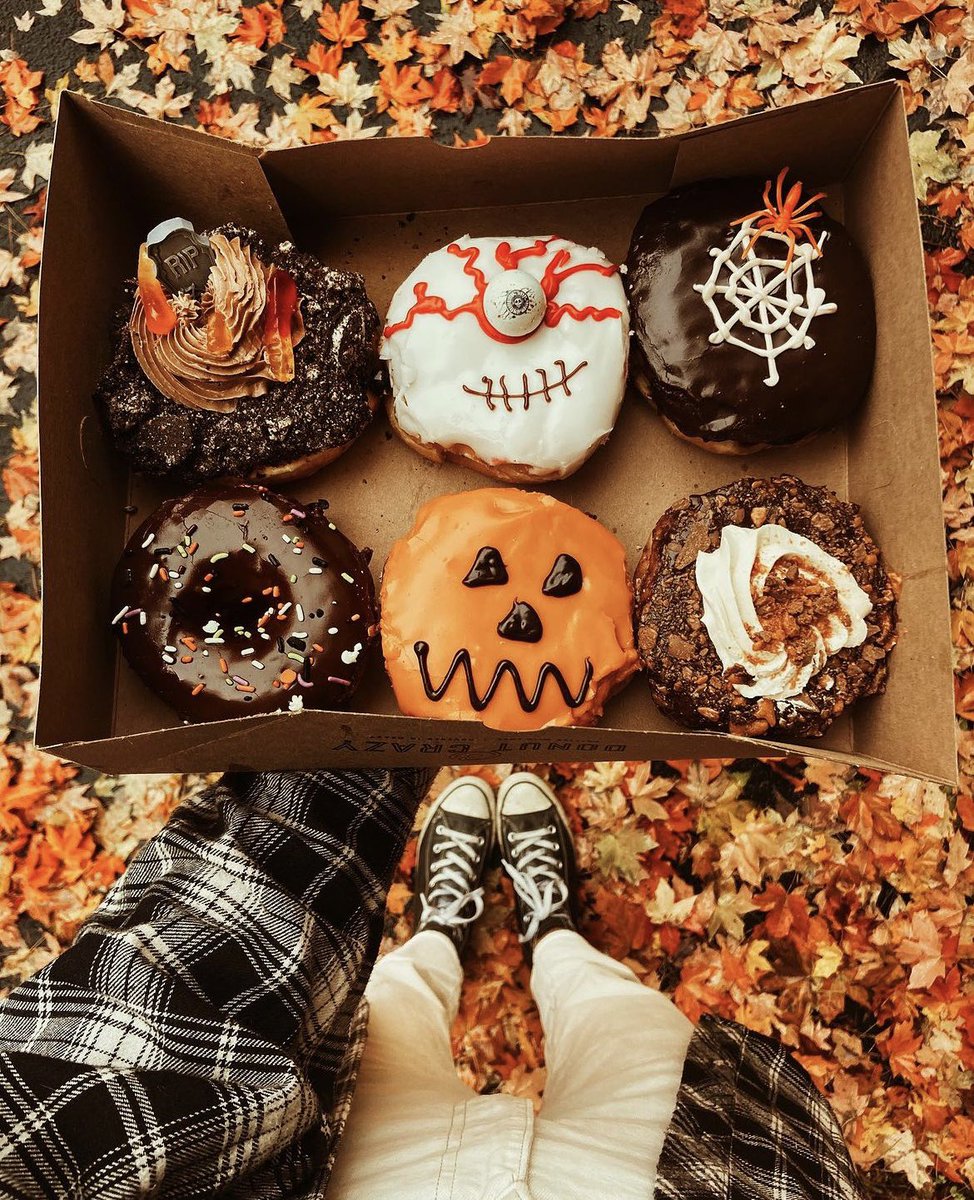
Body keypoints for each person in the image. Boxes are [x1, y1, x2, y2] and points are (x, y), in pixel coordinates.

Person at [0, 767, 864, 1199]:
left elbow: (132, 1030)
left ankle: (448, 929)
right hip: (675, 1174)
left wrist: (345, 754)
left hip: (339, 1168)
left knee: (399, 999)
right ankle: (551, 928)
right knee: (615, 1013)